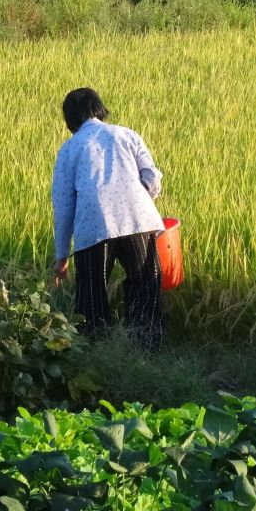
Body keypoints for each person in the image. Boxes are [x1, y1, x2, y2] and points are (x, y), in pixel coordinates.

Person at [50, 87, 166, 352]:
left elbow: (64, 204)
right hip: (138, 221)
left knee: (92, 292)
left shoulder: (69, 149)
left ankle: (95, 350)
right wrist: (138, 199)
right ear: (99, 109)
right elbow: (152, 178)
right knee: (145, 283)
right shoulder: (127, 135)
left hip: (94, 225)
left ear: (70, 118)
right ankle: (146, 348)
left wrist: (61, 255)